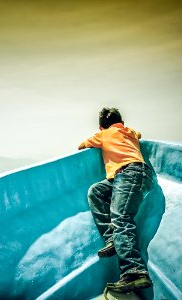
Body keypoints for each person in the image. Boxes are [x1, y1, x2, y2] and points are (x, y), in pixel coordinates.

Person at [78, 107, 154, 294]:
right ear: (121, 122)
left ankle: (135, 272)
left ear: (101, 126)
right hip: (133, 174)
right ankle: (112, 239)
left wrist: (103, 135)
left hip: (129, 173)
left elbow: (82, 145)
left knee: (121, 218)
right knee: (96, 191)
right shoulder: (130, 132)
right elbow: (138, 133)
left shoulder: (103, 135)